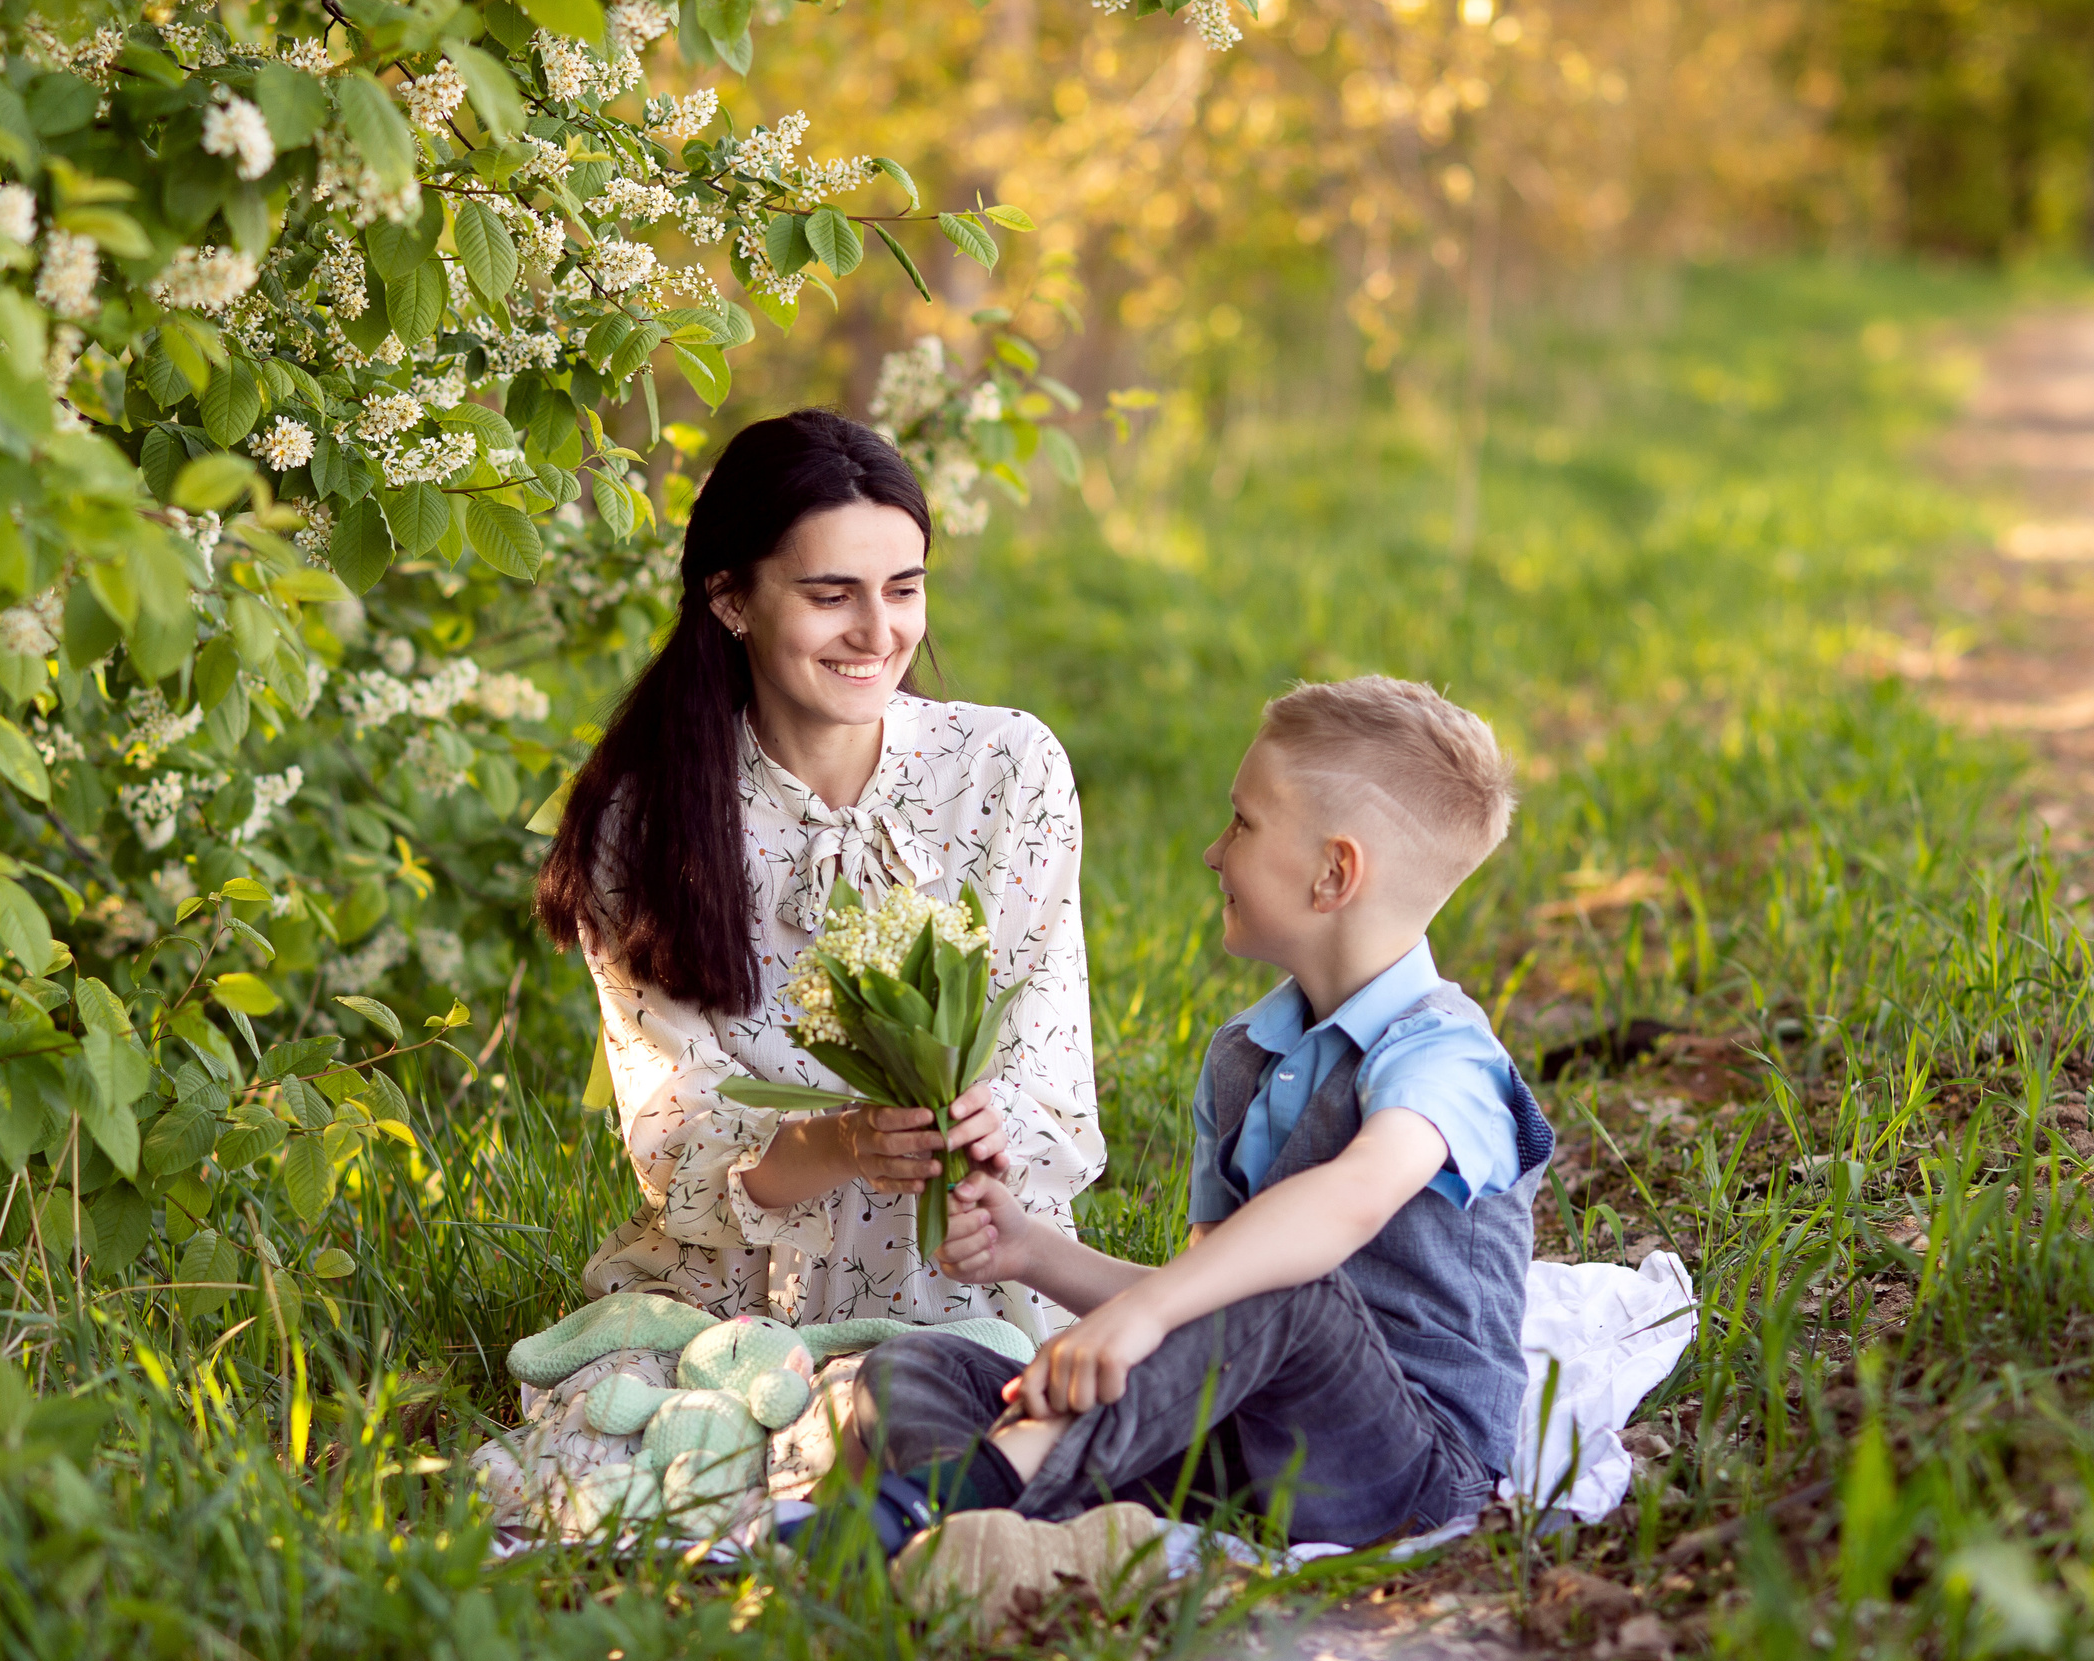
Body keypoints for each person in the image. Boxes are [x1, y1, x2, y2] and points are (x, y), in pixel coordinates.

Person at [850, 676, 1554, 1549]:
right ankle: (983, 1530)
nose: (1213, 852)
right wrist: (1029, 1250)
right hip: (1239, 1447)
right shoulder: (1243, 1055)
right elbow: (1207, 1313)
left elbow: (1347, 1203)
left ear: (1334, 874)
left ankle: (935, 1510)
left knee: (1284, 1286)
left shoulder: (1448, 1054)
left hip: (1409, 1469)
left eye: (1243, 823)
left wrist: (1144, 1317)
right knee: (918, 1363)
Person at [534, 409, 1103, 1344]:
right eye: (831, 595)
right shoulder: (642, 820)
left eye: (904, 589)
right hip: (734, 1299)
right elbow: (674, 1140)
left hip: (977, 1268)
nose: (878, 632)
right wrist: (842, 1141)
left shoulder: (1006, 769)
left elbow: (1050, 1064)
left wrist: (982, 1127)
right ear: (730, 599)